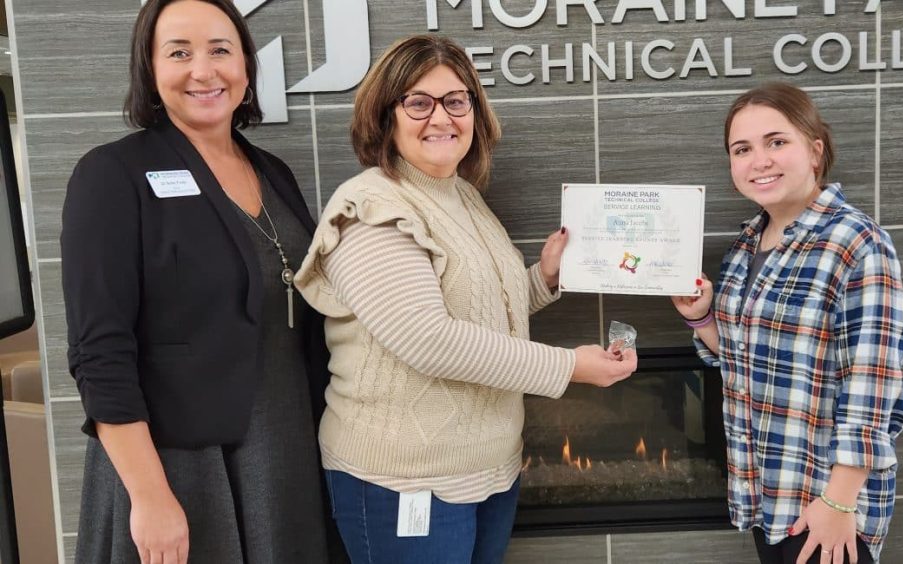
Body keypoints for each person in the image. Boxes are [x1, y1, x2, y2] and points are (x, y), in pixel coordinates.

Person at [293, 34, 638, 564]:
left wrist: (544, 278)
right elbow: (429, 339)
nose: (441, 117)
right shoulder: (369, 209)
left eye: (456, 101)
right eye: (418, 102)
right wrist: (569, 366)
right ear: (385, 116)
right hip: (405, 478)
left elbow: (479, 310)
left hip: (490, 467)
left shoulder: (463, 195)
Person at [61, 1, 339, 562]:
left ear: (245, 65)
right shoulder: (112, 174)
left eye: (220, 50)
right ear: (149, 68)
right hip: (179, 467)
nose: (203, 70)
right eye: (179, 53)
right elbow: (99, 352)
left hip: (286, 449)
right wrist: (150, 496)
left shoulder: (272, 172)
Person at [672, 82, 903, 564]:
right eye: (742, 149)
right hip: (769, 493)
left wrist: (838, 502)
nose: (759, 160)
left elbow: (872, 383)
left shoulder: (856, 241)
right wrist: (701, 316)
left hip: (828, 504)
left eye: (776, 142)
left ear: (815, 151)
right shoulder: (746, 246)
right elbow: (740, 361)